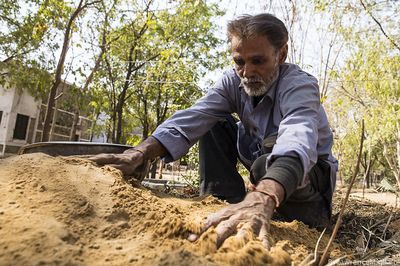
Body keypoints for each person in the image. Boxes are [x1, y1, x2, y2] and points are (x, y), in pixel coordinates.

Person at [89, 13, 338, 249]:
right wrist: (141, 152)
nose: (247, 72)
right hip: (263, 171)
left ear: (281, 54)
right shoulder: (233, 81)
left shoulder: (299, 85)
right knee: (213, 122)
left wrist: (264, 194)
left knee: (267, 163)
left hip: (307, 182)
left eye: (258, 61)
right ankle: (222, 204)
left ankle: (290, 213)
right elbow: (195, 116)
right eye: (239, 61)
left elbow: (298, 136)